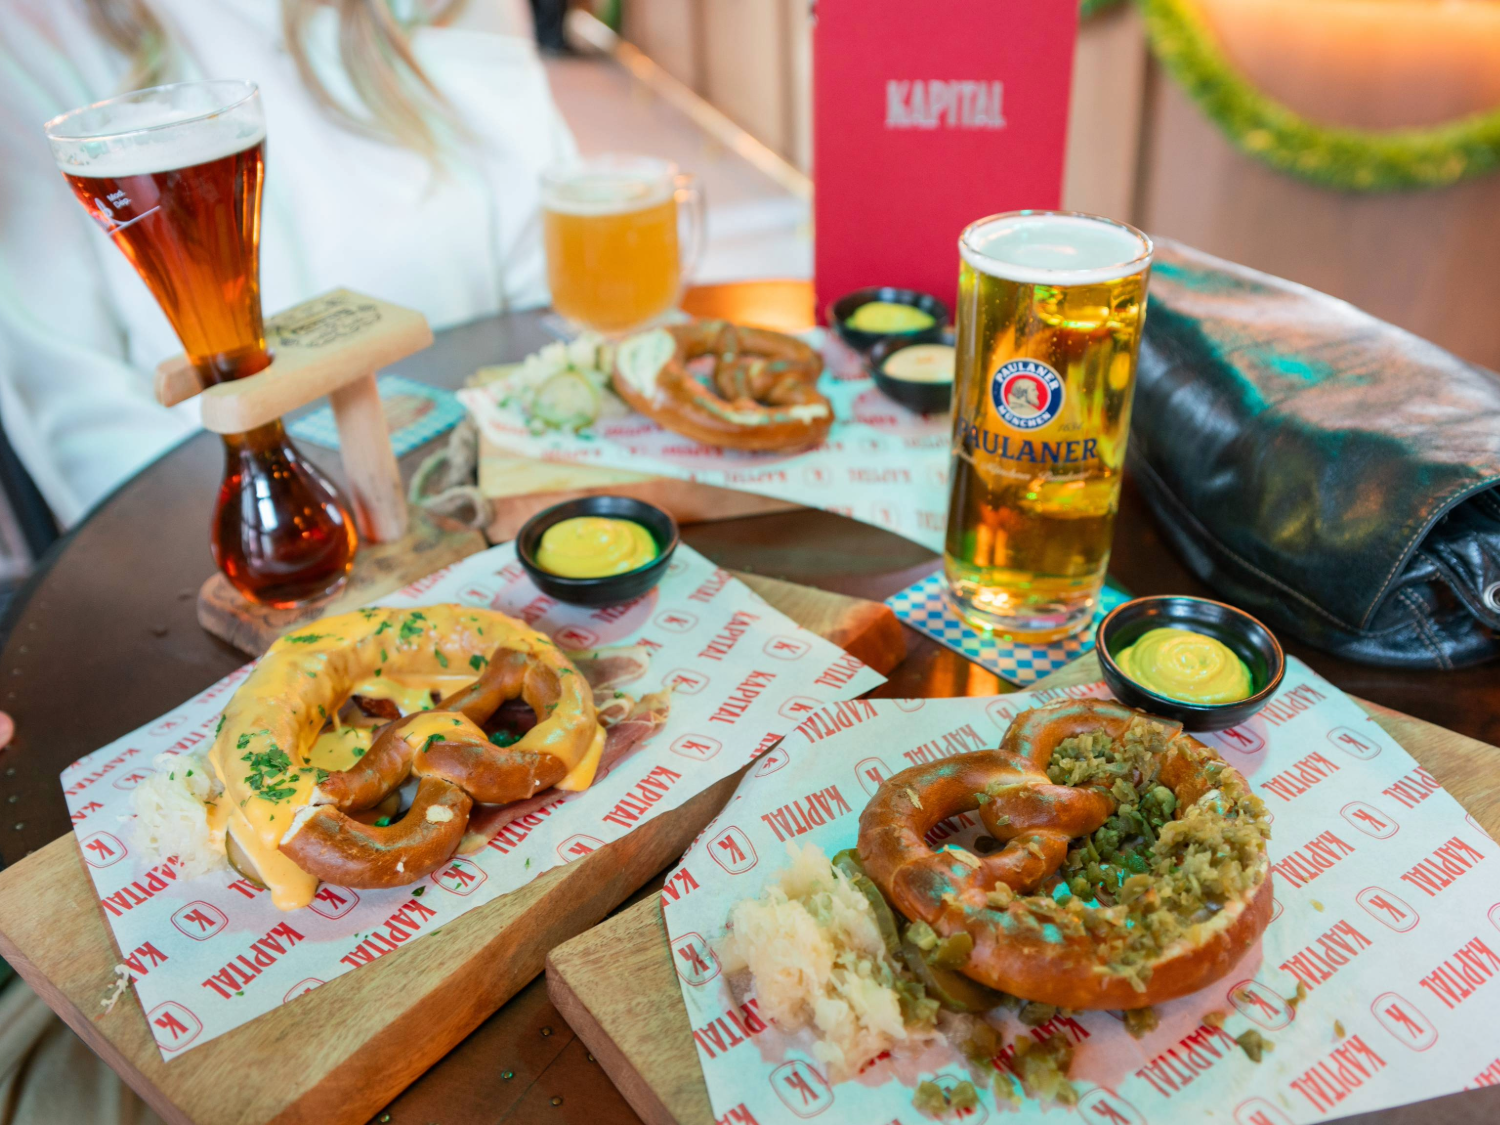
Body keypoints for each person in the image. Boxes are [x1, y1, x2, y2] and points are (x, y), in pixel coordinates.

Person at [0, 0, 578, 528]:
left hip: (496, 491)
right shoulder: (34, 35)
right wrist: (273, 533)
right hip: (254, 533)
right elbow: (84, 423)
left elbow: (559, 277)